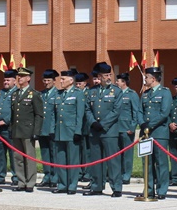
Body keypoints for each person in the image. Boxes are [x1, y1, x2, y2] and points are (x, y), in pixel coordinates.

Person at [84, 62, 122, 197]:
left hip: (109, 131)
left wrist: (103, 124)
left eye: (109, 75)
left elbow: (116, 110)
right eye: (105, 75)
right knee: (95, 160)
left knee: (112, 161)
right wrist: (93, 122)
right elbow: (87, 109)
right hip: (95, 131)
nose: (108, 77)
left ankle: (116, 187)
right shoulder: (92, 91)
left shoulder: (116, 91)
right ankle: (96, 186)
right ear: (99, 76)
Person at [49, 70, 85, 194]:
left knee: (73, 160)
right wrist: (52, 130)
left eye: (63, 79)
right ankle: (62, 184)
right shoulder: (58, 94)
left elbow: (80, 115)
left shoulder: (78, 94)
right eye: (61, 79)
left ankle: (72, 185)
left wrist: (78, 131)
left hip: (71, 131)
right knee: (60, 159)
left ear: (71, 80)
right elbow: (54, 114)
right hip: (59, 131)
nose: (61, 81)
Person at [8, 67, 44, 192]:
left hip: (28, 131)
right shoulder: (15, 94)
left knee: (29, 157)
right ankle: (21, 181)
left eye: (22, 76)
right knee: (18, 158)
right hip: (17, 130)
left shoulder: (34, 94)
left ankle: (30, 182)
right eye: (18, 76)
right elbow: (14, 114)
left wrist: (36, 132)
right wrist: (11, 129)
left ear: (28, 78)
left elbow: (39, 115)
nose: (19, 78)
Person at [140, 67, 173, 200]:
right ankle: (148, 189)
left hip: (159, 132)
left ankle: (161, 189)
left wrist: (150, 125)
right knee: (146, 162)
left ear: (153, 78)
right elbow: (139, 111)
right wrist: (142, 124)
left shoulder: (165, 93)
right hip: (146, 133)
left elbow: (164, 112)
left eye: (146, 77)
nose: (145, 79)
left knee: (161, 162)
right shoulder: (145, 94)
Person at [114, 72, 141, 196]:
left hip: (126, 128)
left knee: (127, 153)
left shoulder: (132, 94)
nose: (116, 83)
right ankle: (117, 174)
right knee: (116, 153)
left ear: (124, 82)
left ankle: (126, 175)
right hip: (115, 128)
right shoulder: (115, 94)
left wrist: (132, 127)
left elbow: (135, 111)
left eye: (118, 81)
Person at [37, 69, 60, 188]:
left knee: (54, 154)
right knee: (45, 154)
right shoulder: (41, 94)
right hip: (42, 129)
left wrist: (54, 128)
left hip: (53, 129)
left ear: (54, 81)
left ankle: (55, 177)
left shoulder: (58, 94)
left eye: (48, 80)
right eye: (44, 80)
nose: (46, 83)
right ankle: (47, 176)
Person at [0, 69, 18, 186]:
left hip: (10, 129)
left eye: (8, 80)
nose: (6, 82)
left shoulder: (17, 93)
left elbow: (16, 111)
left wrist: (6, 120)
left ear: (15, 81)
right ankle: (0, 175)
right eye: (4, 80)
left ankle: (15, 176)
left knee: (13, 153)